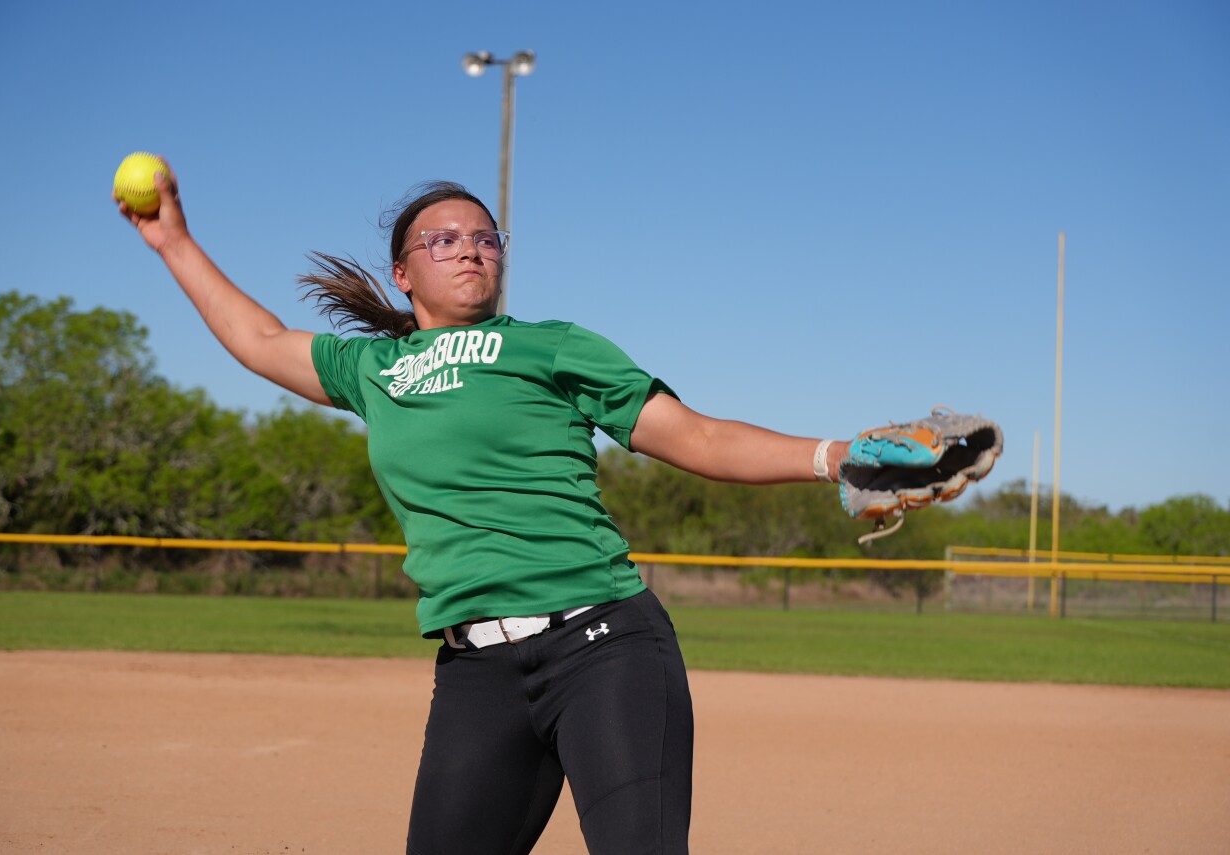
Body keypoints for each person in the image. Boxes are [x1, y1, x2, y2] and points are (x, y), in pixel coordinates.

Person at [117, 166, 849, 855]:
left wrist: (838, 457)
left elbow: (699, 435)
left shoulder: (549, 346)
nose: (470, 248)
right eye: (443, 239)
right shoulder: (373, 370)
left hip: (604, 645)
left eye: (485, 238)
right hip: (476, 672)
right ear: (403, 275)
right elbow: (261, 339)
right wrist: (173, 241)